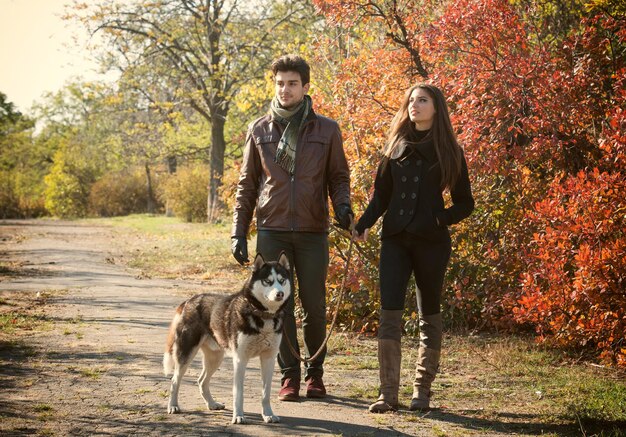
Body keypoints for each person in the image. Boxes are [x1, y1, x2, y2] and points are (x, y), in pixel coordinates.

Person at [231, 54, 353, 402]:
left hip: (314, 230)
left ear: (305, 86)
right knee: (275, 307)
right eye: (280, 83)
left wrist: (342, 206)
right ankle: (289, 377)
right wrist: (239, 231)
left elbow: (338, 177)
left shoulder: (327, 129)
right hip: (272, 228)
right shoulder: (259, 129)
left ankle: (315, 374)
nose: (285, 89)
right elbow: (247, 185)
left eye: (292, 83)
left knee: (314, 306)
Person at [352, 84, 474, 413]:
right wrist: (362, 223)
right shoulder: (395, 146)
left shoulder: (450, 150)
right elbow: (381, 197)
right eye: (411, 100)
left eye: (422, 100)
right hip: (394, 240)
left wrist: (440, 218)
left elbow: (466, 203)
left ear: (436, 108)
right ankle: (388, 393)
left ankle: (422, 391)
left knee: (428, 314)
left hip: (432, 243)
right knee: (389, 314)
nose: (414, 105)